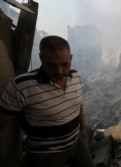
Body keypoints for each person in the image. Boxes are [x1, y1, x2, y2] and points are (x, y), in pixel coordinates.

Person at [0, 35, 96, 167]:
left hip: (76, 143)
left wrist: (83, 127)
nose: (59, 71)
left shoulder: (75, 76)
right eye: (51, 65)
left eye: (64, 64)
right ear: (41, 58)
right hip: (45, 155)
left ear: (71, 58)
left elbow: (77, 103)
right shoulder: (21, 86)